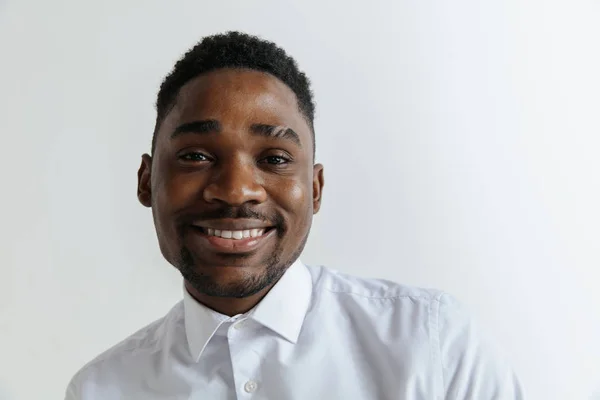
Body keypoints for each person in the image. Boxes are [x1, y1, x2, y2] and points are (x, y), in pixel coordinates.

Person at [65, 31, 523, 399]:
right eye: (197, 155)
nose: (235, 190)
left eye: (276, 159)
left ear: (316, 189)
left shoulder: (435, 347)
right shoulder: (102, 389)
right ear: (147, 180)